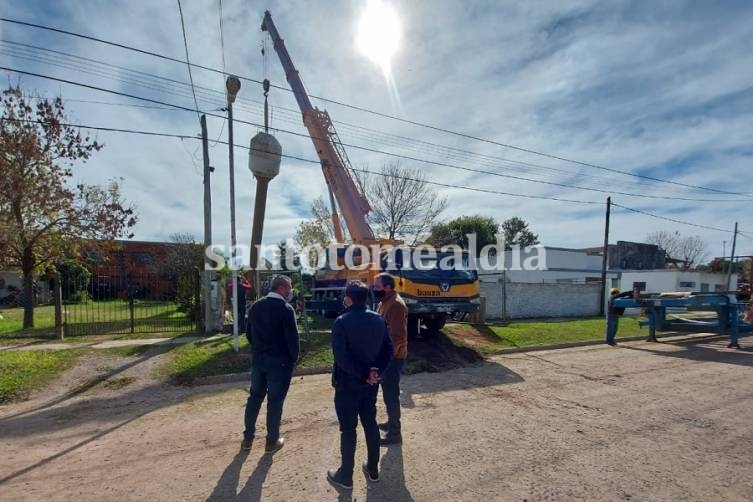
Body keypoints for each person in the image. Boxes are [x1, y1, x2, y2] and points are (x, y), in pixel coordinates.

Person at [327, 281, 393, 490]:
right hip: (370, 384)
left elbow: (341, 358)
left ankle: (346, 475)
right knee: (370, 423)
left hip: (347, 384)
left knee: (348, 429)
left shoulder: (341, 321)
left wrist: (366, 374)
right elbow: (388, 351)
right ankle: (373, 468)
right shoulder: (378, 320)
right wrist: (375, 372)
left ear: (348, 298)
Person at [241, 275, 299, 454]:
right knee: (275, 402)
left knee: (254, 398)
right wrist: (293, 359)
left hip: (259, 360)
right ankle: (271, 441)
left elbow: (248, 333)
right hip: (280, 363)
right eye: (289, 288)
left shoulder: (255, 306)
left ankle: (248, 439)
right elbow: (292, 339)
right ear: (281, 287)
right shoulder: (285, 309)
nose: (290, 291)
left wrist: (259, 350)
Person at [373, 272, 408, 445]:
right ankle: (390, 422)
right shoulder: (384, 302)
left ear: (387, 287)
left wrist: (387, 360)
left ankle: (395, 434)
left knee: (391, 395)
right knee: (387, 394)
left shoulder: (396, 305)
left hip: (393, 358)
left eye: (377, 286)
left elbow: (398, 337)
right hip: (386, 356)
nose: (374, 289)